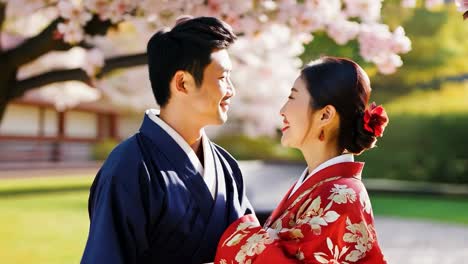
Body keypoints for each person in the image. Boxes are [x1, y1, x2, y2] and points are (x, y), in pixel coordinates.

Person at [81, 16, 254, 264]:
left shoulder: (226, 167)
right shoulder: (129, 167)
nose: (231, 90)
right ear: (182, 83)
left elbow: (251, 251)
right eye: (222, 77)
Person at [215, 57, 388, 263]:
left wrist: (242, 233)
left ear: (325, 115)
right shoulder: (320, 185)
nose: (282, 110)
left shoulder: (343, 194)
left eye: (292, 97)